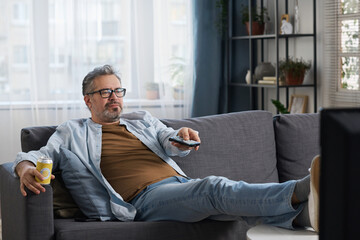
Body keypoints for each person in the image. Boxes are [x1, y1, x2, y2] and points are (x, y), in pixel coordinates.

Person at [13, 65, 319, 231]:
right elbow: (39, 155)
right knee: (213, 189)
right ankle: (301, 188)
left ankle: (308, 217)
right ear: (88, 100)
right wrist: (25, 166)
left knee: (228, 207)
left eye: (117, 90)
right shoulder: (72, 131)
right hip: (142, 200)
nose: (113, 97)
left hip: (177, 186)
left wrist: (182, 137)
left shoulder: (141, 120)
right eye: (104, 92)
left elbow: (169, 140)